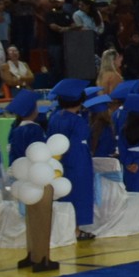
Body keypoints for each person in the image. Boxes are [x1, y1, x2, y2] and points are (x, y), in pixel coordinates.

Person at [46, 78, 96, 245]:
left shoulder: (54, 117)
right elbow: (83, 139)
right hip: (77, 159)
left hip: (58, 161)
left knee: (64, 195)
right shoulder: (77, 121)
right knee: (78, 195)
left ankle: (65, 226)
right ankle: (75, 229)